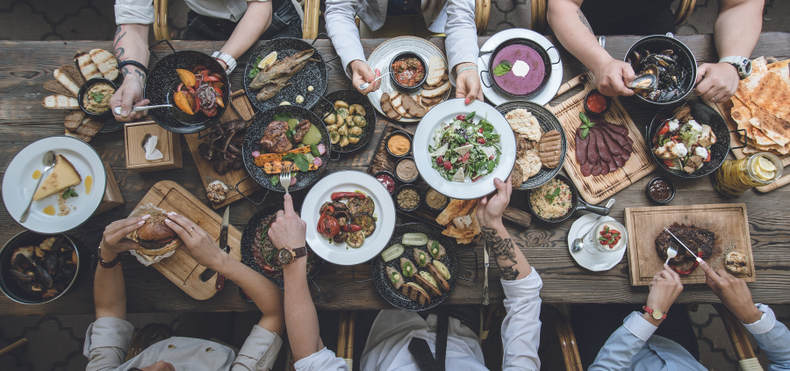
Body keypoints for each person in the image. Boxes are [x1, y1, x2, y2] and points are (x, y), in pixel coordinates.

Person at [267, 177, 542, 370]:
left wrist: (292, 256)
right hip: (461, 324)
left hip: (383, 324)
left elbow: (309, 357)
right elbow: (525, 299)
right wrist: (493, 224)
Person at [84, 213, 284, 371]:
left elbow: (108, 309)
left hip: (186, 340)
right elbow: (275, 312)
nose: (160, 364)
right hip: (240, 354)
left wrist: (107, 253)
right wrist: (218, 260)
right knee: (247, 317)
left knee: (207, 313)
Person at [111, 0, 303, 121]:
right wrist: (132, 78)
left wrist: (218, 65)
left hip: (271, 14)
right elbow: (132, 25)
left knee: (286, 105)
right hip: (205, 21)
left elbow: (260, 8)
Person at [547, 0, 765, 103]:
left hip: (651, 18)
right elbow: (563, 4)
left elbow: (743, 2)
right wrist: (600, 62)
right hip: (579, 17)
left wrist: (733, 62)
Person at [581, 261, 790, 370]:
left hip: (608, 353)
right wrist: (750, 314)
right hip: (674, 350)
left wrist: (653, 316)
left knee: (589, 289)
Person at [325, 0, 483, 104]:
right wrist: (354, 60)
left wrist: (466, 67)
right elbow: (339, 9)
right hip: (378, 22)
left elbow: (460, 18)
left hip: (433, 21)